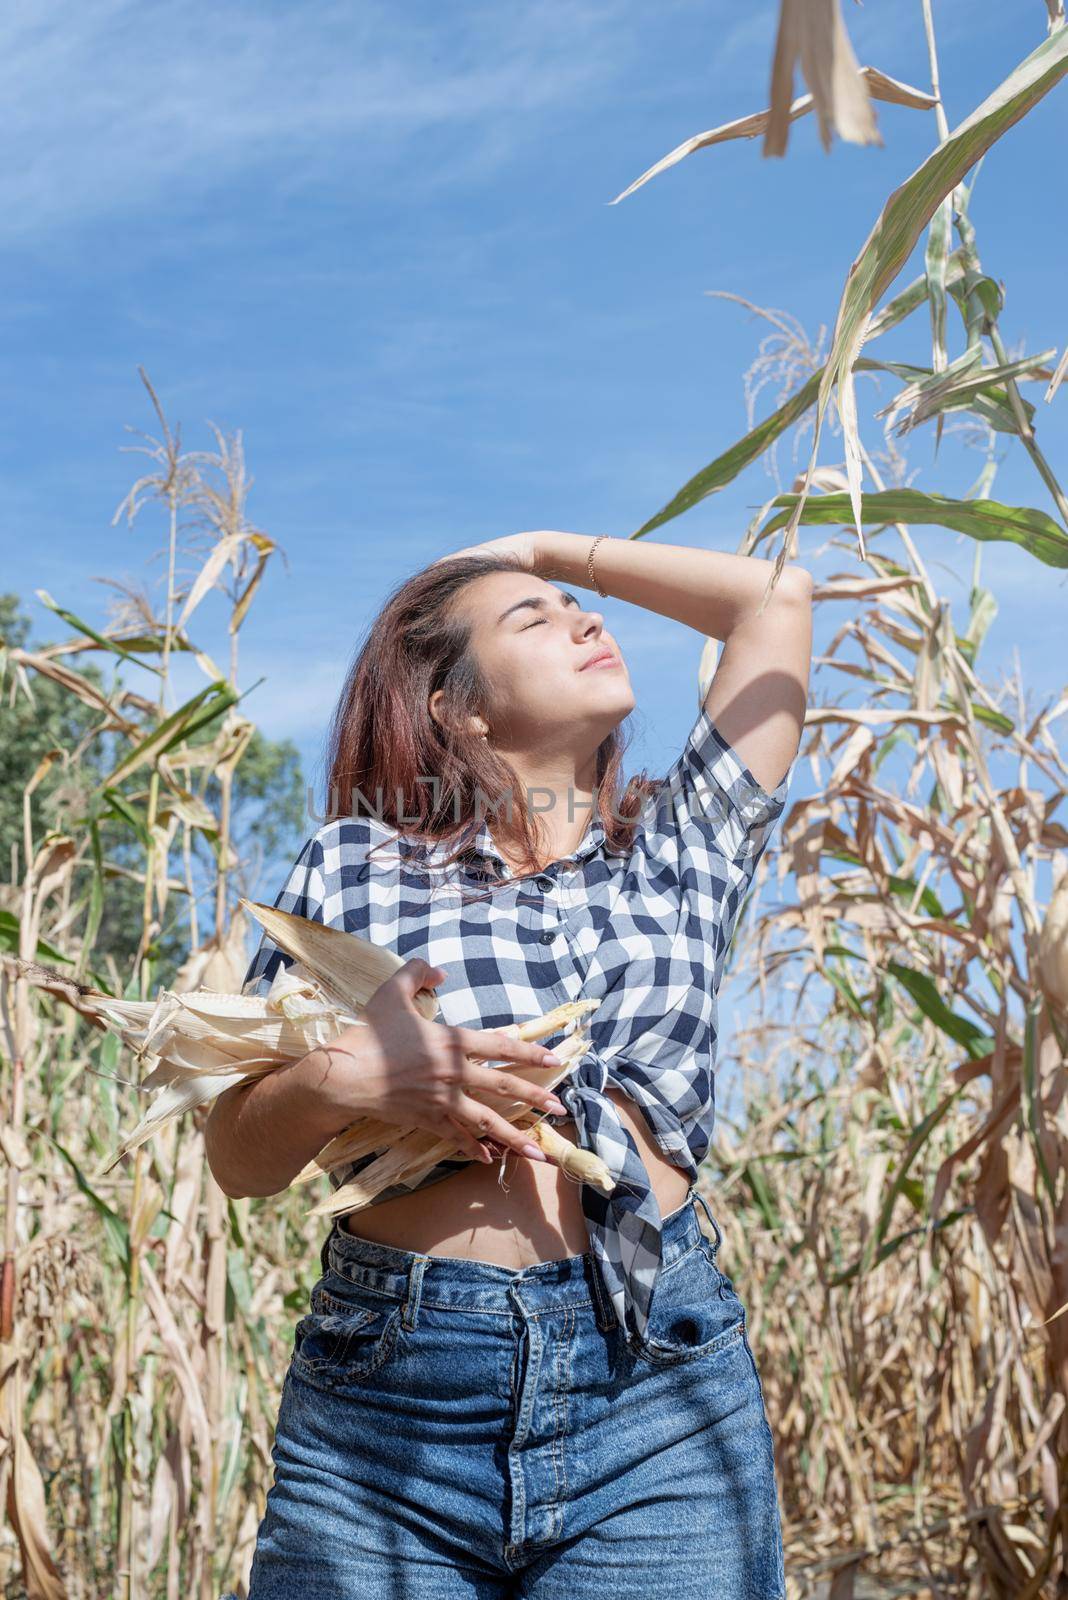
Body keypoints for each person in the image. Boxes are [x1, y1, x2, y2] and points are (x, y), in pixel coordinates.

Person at [208, 528, 811, 1599]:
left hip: (653, 1387)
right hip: (396, 1402)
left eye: (581, 607)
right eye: (533, 617)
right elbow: (239, 1157)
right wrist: (350, 1079)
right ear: (458, 707)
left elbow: (775, 598)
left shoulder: (682, 850)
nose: (585, 618)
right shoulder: (354, 865)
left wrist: (546, 551)